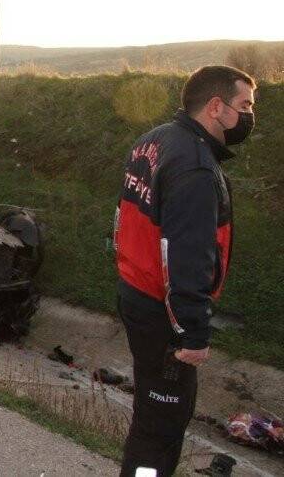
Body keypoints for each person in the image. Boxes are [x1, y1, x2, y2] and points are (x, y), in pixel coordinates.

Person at [114, 65, 256, 477]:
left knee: (150, 417)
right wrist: (192, 333)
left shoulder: (154, 140)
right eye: (245, 105)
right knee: (160, 427)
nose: (249, 115)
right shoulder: (195, 167)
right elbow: (187, 256)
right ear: (216, 107)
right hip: (163, 312)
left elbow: (126, 217)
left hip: (136, 291)